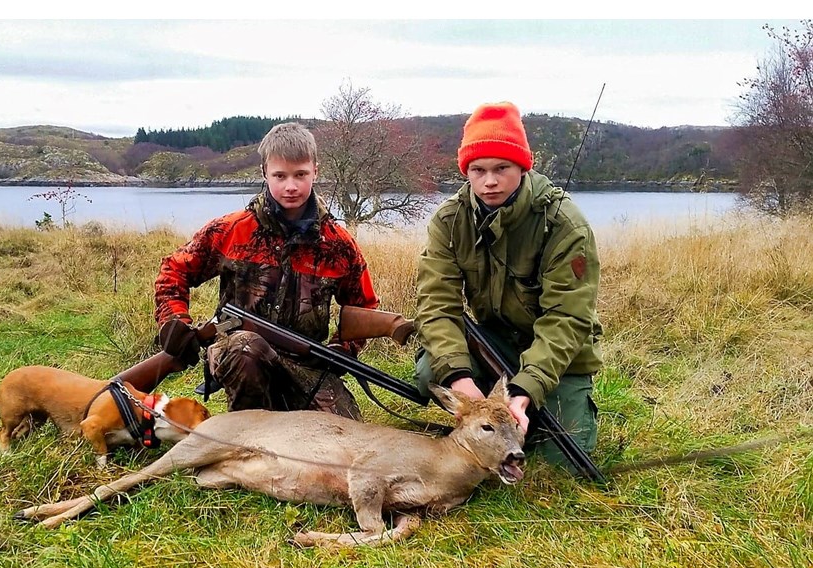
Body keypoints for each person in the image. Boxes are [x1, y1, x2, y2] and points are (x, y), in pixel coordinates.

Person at [414, 102, 603, 468]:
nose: (489, 181)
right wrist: (459, 379)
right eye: (478, 170)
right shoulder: (449, 221)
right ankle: (487, 414)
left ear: (522, 167)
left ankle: (518, 413)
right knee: (428, 371)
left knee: (562, 461)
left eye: (502, 168)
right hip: (491, 344)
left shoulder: (565, 224)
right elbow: (436, 304)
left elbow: (568, 319)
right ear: (466, 171)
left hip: (556, 357)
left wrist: (522, 392)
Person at [153, 122, 380, 420]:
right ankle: (244, 435)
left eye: (301, 175)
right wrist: (174, 320)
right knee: (247, 348)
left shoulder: (337, 244)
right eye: (280, 176)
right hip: (237, 351)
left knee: (348, 433)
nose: (291, 186)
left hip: (306, 363)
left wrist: (344, 348)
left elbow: (364, 305)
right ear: (264, 172)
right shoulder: (232, 230)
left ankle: (282, 415)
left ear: (316, 170)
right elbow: (174, 270)